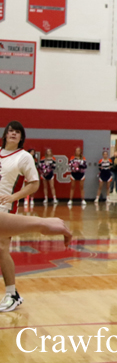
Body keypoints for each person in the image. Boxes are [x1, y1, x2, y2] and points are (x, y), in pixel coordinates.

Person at [0, 122, 41, 311]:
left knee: (2, 249)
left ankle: (12, 294)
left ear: (21, 137)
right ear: (5, 134)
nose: (13, 134)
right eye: (10, 131)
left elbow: (34, 184)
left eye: (17, 132)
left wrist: (14, 197)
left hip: (6, 208)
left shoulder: (24, 157)